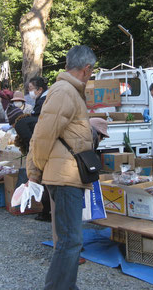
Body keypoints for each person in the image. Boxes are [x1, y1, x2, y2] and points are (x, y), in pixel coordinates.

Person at [27, 45, 96, 289]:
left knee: (69, 240)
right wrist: (35, 170)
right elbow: (43, 134)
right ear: (86, 69)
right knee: (70, 241)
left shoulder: (66, 90)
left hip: (65, 173)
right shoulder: (65, 91)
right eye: (92, 71)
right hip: (64, 175)